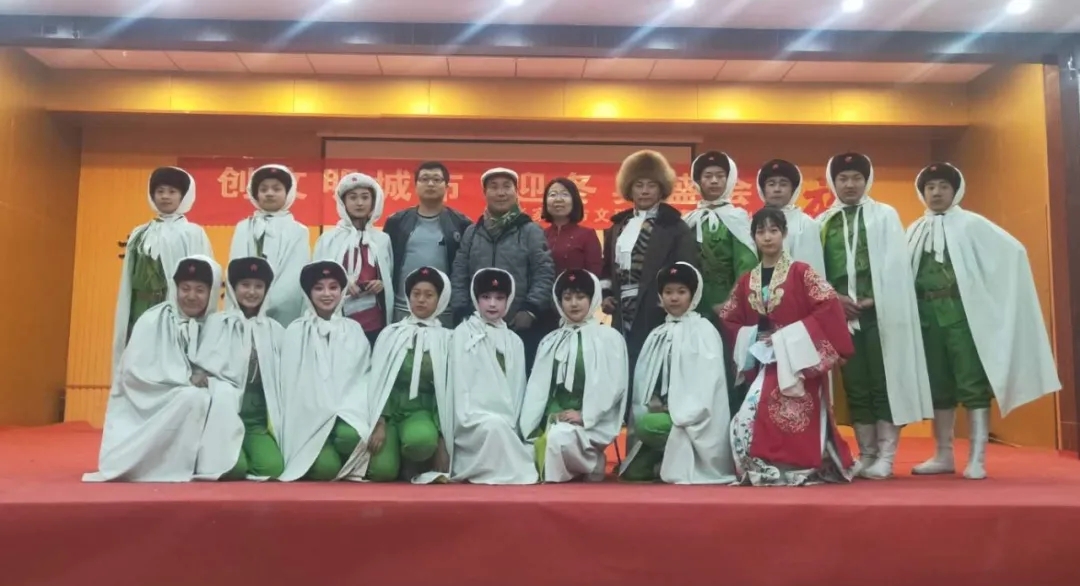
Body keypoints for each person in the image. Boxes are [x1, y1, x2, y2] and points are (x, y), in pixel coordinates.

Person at [906, 163, 1060, 479]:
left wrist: (986, 293)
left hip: (963, 315)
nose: (936, 192)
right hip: (926, 317)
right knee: (938, 384)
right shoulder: (915, 229)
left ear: (955, 190)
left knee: (972, 381)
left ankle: (977, 458)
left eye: (943, 186)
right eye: (930, 187)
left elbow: (1014, 252)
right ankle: (943, 454)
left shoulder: (973, 225)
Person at [720, 208, 856, 486]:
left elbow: (828, 306)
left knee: (795, 416)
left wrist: (788, 336)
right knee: (748, 418)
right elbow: (729, 317)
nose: (767, 237)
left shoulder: (802, 273)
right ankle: (768, 467)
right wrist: (753, 335)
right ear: (753, 237)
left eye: (774, 230)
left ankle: (801, 465)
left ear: (784, 234)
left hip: (799, 360)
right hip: (764, 361)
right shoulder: (747, 280)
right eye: (761, 231)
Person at [818, 152, 933, 479]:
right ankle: (866, 454)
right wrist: (835, 298)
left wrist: (875, 299)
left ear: (867, 180)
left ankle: (886, 455)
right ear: (833, 182)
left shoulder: (884, 215)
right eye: (843, 178)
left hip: (882, 314)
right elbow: (816, 268)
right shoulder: (823, 222)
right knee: (855, 385)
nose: (850, 184)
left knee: (885, 383)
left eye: (856, 177)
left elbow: (896, 265)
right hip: (841, 316)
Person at [86, 255, 232, 482]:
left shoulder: (219, 325)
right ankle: (166, 463)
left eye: (200, 290)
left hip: (193, 391)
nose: (191, 296)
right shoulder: (153, 320)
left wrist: (208, 376)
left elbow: (227, 368)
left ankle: (206, 460)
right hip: (156, 396)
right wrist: (185, 379)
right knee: (192, 397)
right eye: (185, 288)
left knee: (221, 394)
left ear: (211, 293)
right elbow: (134, 374)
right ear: (175, 289)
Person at [618, 262, 736, 484]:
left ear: (694, 294)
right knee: (635, 473)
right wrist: (653, 400)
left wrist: (677, 409)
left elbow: (709, 384)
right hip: (661, 413)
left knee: (648, 425)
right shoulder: (658, 333)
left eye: (681, 292)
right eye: (668, 292)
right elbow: (645, 382)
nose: (674, 298)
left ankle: (674, 456)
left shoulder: (704, 330)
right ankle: (662, 456)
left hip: (692, 418)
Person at [521, 269, 629, 483]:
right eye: (567, 298)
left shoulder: (608, 338)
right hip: (554, 418)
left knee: (559, 438)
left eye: (580, 297)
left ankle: (590, 461)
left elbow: (613, 386)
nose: (574, 304)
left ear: (593, 298)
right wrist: (549, 417)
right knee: (521, 451)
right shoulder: (551, 340)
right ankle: (577, 466)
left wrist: (585, 414)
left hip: (589, 422)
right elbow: (538, 389)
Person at [601, 151, 699, 385]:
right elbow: (606, 269)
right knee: (622, 369)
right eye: (639, 185)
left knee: (651, 370)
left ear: (661, 188)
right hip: (621, 311)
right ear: (629, 188)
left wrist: (670, 301)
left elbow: (686, 269)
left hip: (657, 309)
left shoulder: (675, 227)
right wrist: (606, 295)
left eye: (651, 185)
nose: (644, 191)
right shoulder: (617, 227)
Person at [451, 168, 555, 373]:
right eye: (494, 187)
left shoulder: (530, 230)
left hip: (519, 325)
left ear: (516, 192)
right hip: (476, 326)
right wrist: (462, 310)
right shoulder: (472, 232)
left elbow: (544, 272)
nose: (501, 193)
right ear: (485, 193)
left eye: (507, 187)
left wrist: (530, 309)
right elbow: (459, 273)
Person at [277, 261, 373, 482]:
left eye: (333, 287)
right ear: (308, 293)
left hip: (348, 412)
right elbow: (291, 385)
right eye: (319, 288)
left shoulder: (353, 329)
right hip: (308, 419)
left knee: (351, 437)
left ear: (342, 291)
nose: (327, 294)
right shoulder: (295, 331)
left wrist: (347, 406)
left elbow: (363, 376)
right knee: (325, 470)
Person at [112, 166, 213, 374]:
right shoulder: (140, 233)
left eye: (172, 192)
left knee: (170, 366)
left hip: (174, 309)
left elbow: (203, 280)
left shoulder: (192, 233)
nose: (165, 196)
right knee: (139, 365)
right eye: (160, 191)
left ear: (183, 196)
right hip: (139, 309)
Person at [193, 257, 286, 480]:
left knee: (272, 468)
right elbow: (202, 364)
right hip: (224, 414)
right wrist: (200, 375)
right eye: (245, 285)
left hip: (257, 419)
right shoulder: (217, 322)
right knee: (232, 469)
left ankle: (246, 448)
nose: (251, 292)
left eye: (258, 286)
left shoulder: (275, 329)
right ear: (233, 288)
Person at [366, 267, 455, 483]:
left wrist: (443, 438)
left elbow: (448, 392)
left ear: (440, 299)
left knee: (421, 442)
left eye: (429, 295)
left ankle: (413, 458)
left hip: (422, 413)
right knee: (382, 472)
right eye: (416, 294)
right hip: (389, 414)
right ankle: (396, 454)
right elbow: (376, 382)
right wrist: (380, 421)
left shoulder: (448, 340)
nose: (421, 300)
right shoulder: (391, 333)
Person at [450, 268, 538, 484]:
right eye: (485, 297)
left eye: (499, 298)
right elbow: (459, 383)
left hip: (507, 419)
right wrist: (467, 416)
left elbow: (518, 388)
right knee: (494, 427)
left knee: (505, 430)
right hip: (471, 418)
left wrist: (513, 421)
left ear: (508, 300)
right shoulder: (463, 334)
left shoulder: (514, 341)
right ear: (476, 299)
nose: (492, 304)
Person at [384, 161, 472, 327]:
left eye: (436, 179)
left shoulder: (461, 224)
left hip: (444, 312)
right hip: (402, 308)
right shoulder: (396, 222)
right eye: (424, 179)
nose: (430, 184)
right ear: (415, 185)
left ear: (447, 186)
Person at [314, 173, 393, 347]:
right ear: (343, 202)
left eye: (365, 197)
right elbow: (314, 281)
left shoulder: (382, 239)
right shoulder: (328, 239)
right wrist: (340, 283)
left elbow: (389, 277)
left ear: (374, 202)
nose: (359, 203)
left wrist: (380, 284)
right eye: (353, 197)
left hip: (374, 321)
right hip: (338, 320)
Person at [228, 164, 310, 327]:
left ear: (288, 193)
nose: (269, 193)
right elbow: (234, 268)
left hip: (283, 311)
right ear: (255, 194)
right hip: (245, 305)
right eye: (263, 189)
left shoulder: (299, 231)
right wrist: (249, 296)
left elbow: (294, 274)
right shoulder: (243, 227)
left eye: (276, 189)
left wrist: (270, 302)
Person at [683, 150, 758, 318]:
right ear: (698, 181)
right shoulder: (689, 220)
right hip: (692, 304)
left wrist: (730, 303)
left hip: (729, 303)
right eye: (707, 176)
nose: (714, 181)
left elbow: (746, 264)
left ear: (729, 179)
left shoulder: (738, 218)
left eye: (720, 176)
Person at [539, 177, 603, 337]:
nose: (558, 199)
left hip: (575, 307)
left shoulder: (587, 235)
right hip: (543, 309)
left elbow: (594, 275)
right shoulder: (539, 235)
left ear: (574, 200)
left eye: (564, 194)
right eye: (553, 194)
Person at [756, 159, 825, 274]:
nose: (777, 189)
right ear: (763, 189)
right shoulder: (753, 222)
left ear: (793, 189)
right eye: (771, 184)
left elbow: (814, 270)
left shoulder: (806, 224)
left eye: (783, 184)